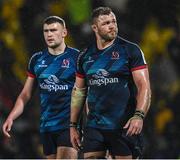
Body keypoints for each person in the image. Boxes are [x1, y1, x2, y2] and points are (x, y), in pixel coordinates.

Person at [70, 7, 151, 159]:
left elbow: (143, 86)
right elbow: (79, 92)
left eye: (113, 21)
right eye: (106, 23)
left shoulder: (130, 50)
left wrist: (139, 116)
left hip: (123, 125)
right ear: (95, 28)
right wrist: (73, 126)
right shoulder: (85, 56)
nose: (112, 26)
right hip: (95, 127)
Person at [2, 16, 79, 159]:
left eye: (54, 30)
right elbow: (25, 95)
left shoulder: (77, 58)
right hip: (47, 126)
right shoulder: (37, 60)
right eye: (46, 31)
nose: (49, 34)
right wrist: (11, 116)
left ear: (64, 33)